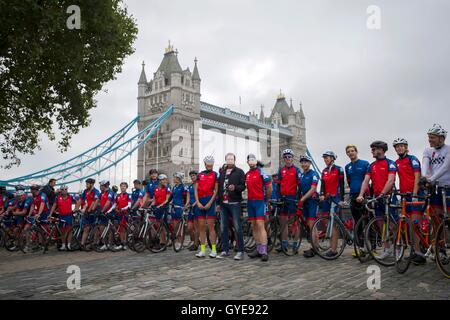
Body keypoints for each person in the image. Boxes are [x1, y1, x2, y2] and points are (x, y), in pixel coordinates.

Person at [357, 141, 397, 260]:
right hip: (377, 197)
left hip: (389, 197)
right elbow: (366, 181)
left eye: (374, 149)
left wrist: (383, 193)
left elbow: (390, 180)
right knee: (380, 224)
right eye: (372, 149)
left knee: (392, 224)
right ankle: (386, 248)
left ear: (381, 150)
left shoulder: (390, 163)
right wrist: (360, 195)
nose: (372, 151)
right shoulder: (372, 165)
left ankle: (397, 246)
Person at [393, 138, 424, 264]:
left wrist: (415, 193)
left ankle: (419, 253)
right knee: (408, 225)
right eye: (397, 147)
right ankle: (414, 251)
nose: (399, 148)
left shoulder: (413, 159)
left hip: (415, 195)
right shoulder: (396, 162)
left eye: (402, 146)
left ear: (406, 147)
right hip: (404, 196)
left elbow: (417, 176)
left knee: (415, 224)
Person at [216, 153, 246, 260]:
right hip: (223, 204)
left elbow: (243, 186)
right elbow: (219, 189)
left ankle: (240, 251)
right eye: (228, 159)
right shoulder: (222, 173)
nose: (230, 160)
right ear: (225, 160)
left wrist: (236, 187)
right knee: (223, 227)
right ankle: (225, 250)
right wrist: (218, 203)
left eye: (231, 159)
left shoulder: (240, 172)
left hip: (234, 203)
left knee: (237, 227)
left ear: (234, 160)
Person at [344, 145, 370, 257]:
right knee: (357, 222)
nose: (351, 153)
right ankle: (360, 248)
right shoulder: (347, 167)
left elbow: (368, 179)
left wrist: (363, 193)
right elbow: (349, 182)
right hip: (353, 196)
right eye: (348, 152)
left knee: (368, 222)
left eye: (352, 151)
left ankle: (371, 248)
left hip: (364, 195)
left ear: (356, 151)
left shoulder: (365, 164)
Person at [245, 154, 272, 261]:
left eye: (253, 159)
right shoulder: (247, 174)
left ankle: (264, 251)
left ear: (256, 161)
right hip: (250, 202)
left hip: (260, 202)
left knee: (260, 225)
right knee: (254, 226)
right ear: (247, 162)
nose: (251, 161)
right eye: (249, 160)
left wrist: (266, 199)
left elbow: (269, 187)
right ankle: (258, 248)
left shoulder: (262, 172)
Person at [319, 151, 345, 258]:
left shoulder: (339, 169)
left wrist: (341, 199)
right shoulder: (324, 171)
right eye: (324, 158)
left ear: (333, 158)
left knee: (334, 224)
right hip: (326, 198)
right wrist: (321, 194)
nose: (325, 159)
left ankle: (333, 249)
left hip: (336, 198)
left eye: (327, 157)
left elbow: (342, 185)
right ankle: (330, 245)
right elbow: (323, 185)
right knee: (325, 219)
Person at [277, 149, 302, 252]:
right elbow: (278, 185)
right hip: (283, 198)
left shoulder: (297, 170)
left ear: (292, 158)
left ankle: (295, 244)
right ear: (284, 159)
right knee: (283, 222)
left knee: (295, 222)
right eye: (286, 157)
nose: (288, 159)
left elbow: (300, 186)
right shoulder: (281, 170)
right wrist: (279, 196)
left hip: (292, 198)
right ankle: (284, 243)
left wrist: (298, 198)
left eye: (289, 157)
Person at [421, 124, 450, 214]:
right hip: (435, 188)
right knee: (436, 215)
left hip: (447, 187)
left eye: (432, 137)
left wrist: (430, 179)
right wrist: (424, 177)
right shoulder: (428, 150)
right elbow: (425, 165)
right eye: (429, 137)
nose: (429, 140)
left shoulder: (448, 149)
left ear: (441, 138)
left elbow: (445, 167)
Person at [194, 156, 219, 258]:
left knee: (211, 227)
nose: (209, 165)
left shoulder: (215, 175)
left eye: (211, 163)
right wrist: (198, 202)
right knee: (201, 228)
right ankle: (203, 250)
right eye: (208, 163)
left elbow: (216, 190)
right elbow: (195, 190)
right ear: (205, 164)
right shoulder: (200, 175)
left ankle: (213, 250)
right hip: (200, 201)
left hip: (210, 201)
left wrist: (210, 203)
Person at [298, 155, 321, 258]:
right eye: (302, 162)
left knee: (312, 224)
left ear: (310, 163)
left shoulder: (314, 174)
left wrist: (302, 199)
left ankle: (315, 248)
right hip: (305, 202)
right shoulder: (301, 175)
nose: (304, 164)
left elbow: (312, 189)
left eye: (306, 162)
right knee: (309, 224)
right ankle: (314, 246)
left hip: (312, 201)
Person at [108, 182, 131, 250]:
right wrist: (109, 211)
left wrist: (123, 209)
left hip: (125, 214)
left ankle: (125, 243)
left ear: (126, 187)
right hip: (119, 214)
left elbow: (129, 205)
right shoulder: (117, 196)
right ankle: (122, 243)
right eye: (121, 186)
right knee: (120, 229)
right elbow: (114, 204)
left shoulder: (128, 195)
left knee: (124, 229)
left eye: (124, 186)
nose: (122, 187)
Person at [78, 178, 101, 250]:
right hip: (87, 211)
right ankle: (82, 244)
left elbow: (94, 201)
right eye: (86, 183)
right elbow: (80, 200)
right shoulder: (85, 191)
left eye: (87, 184)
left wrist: (90, 210)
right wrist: (75, 209)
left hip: (94, 211)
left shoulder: (96, 191)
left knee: (96, 228)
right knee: (86, 228)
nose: (86, 185)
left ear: (92, 184)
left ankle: (94, 243)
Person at [151, 174, 171, 251]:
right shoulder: (155, 189)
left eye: (165, 180)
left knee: (162, 225)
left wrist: (161, 205)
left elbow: (167, 199)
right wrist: (151, 206)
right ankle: (163, 240)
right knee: (158, 225)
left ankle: (163, 243)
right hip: (158, 208)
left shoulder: (167, 188)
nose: (164, 181)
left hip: (164, 208)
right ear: (159, 181)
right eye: (163, 180)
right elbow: (154, 199)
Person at [171, 172, 187, 250]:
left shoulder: (183, 187)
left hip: (180, 207)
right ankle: (177, 241)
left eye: (175, 177)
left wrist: (185, 206)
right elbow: (171, 197)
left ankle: (181, 243)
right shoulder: (174, 187)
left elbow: (186, 197)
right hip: (174, 207)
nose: (173, 179)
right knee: (174, 226)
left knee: (180, 226)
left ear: (178, 179)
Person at [98, 180, 115, 251]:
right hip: (103, 212)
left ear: (105, 186)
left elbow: (108, 202)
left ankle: (109, 244)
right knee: (102, 227)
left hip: (109, 212)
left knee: (110, 229)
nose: (100, 187)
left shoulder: (110, 192)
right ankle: (105, 244)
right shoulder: (102, 193)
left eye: (101, 185)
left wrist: (102, 210)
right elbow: (99, 202)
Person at [186, 170, 200, 251]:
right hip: (190, 208)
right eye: (191, 176)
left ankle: (195, 244)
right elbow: (188, 197)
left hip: (196, 207)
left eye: (194, 175)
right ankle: (196, 240)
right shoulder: (190, 185)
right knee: (189, 227)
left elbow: (199, 195)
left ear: (197, 176)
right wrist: (186, 205)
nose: (192, 177)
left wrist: (195, 203)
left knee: (196, 227)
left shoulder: (198, 184)